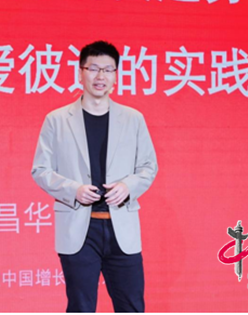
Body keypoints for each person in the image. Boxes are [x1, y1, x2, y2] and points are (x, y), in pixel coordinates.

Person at [31, 40, 158, 312]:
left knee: (132, 306)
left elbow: (148, 166)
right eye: (94, 68)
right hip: (79, 228)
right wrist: (73, 190)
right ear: (81, 72)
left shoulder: (133, 119)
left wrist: (128, 186)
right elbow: (40, 170)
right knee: (81, 307)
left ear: (116, 76)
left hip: (121, 228)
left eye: (108, 70)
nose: (101, 76)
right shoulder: (57, 119)